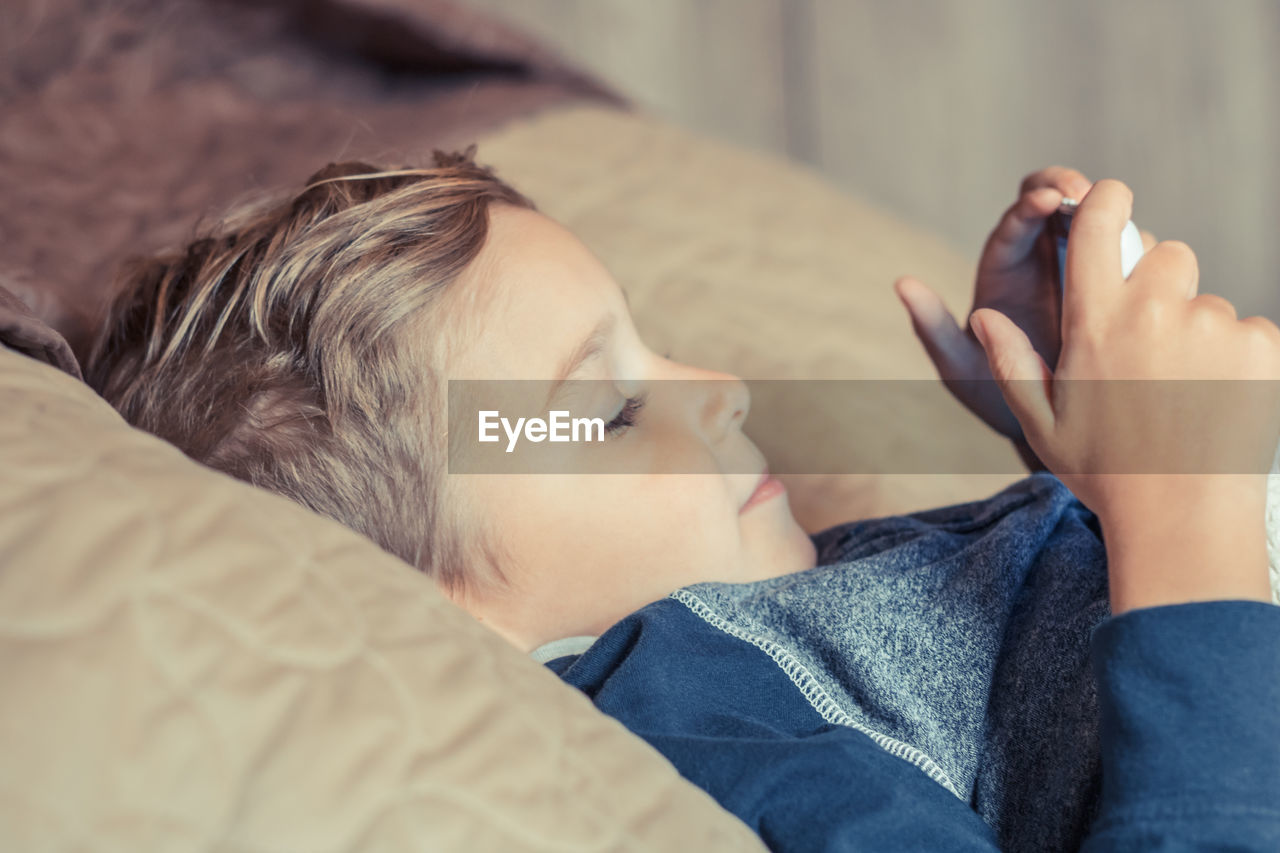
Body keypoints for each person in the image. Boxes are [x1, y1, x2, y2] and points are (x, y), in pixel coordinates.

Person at [83, 149, 1280, 851]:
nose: (716, 389)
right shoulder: (709, 727)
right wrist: (1182, 511)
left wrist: (1074, 444)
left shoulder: (780, 601)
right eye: (600, 409)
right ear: (433, 610)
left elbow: (1035, 687)